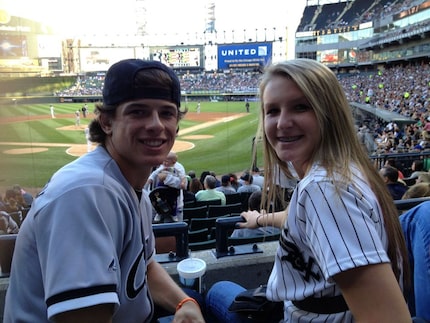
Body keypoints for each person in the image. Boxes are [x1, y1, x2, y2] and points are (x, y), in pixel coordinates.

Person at [205, 59, 411, 322]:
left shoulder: (323, 190)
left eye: (301, 107)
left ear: (329, 113)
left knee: (214, 292)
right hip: (303, 305)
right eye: (272, 111)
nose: (282, 123)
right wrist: (259, 219)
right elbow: (293, 218)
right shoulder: (341, 170)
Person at [4, 59, 204, 323]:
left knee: (199, 300)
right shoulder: (85, 193)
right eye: (138, 112)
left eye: (167, 113)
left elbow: (144, 267)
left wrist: (183, 302)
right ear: (106, 122)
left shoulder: (133, 190)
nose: (156, 124)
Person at [146, 151, 187, 222]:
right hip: (154, 207)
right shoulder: (147, 166)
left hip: (173, 206)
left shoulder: (178, 167)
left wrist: (166, 178)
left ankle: (173, 214)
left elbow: (183, 185)